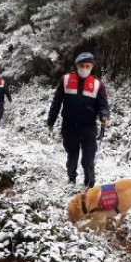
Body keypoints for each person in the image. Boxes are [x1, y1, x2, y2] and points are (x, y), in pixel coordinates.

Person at [47, 52, 110, 188]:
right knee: (72, 158)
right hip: (69, 127)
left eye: (87, 66)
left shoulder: (98, 84)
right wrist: (51, 121)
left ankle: (89, 184)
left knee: (88, 160)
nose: (84, 68)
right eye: (82, 65)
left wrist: (104, 115)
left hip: (88, 128)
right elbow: (56, 102)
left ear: (92, 67)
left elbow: (103, 104)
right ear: (76, 66)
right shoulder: (65, 80)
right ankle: (71, 179)